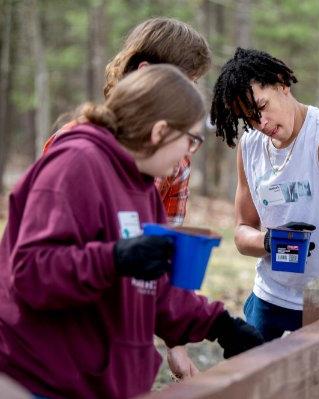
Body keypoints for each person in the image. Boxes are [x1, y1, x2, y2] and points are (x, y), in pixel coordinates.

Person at [0, 65, 263, 399]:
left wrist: (219, 325)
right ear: (160, 131)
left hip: (98, 384)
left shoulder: (142, 188)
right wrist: (113, 259)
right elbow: (31, 271)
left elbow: (154, 288)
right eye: (190, 140)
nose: (188, 153)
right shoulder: (75, 163)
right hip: (40, 379)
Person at [41, 17, 210, 379]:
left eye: (194, 84)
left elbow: (166, 256)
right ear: (144, 72)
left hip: (125, 347)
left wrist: (175, 342)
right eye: (185, 82)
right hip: (69, 347)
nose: (191, 96)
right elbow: (42, 265)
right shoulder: (73, 153)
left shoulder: (175, 158)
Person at [210, 48, 319, 399]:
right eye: (249, 118)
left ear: (283, 84)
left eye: (260, 108)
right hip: (271, 302)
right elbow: (242, 232)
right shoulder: (251, 146)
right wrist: (270, 243)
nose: (260, 124)